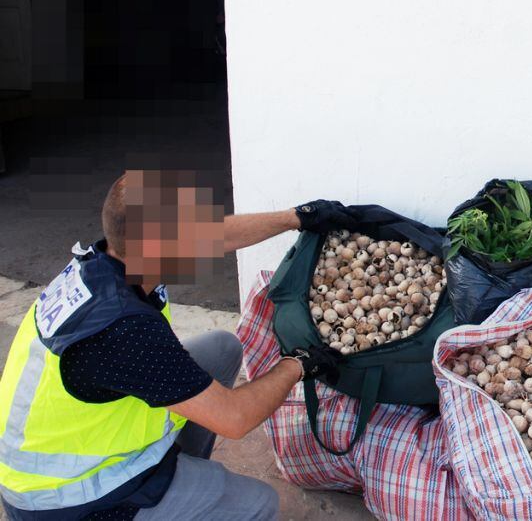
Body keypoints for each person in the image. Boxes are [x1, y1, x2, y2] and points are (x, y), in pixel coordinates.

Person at [0, 170, 355, 520]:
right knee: (258, 503)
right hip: (70, 500)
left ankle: (181, 476)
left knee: (221, 349)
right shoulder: (123, 330)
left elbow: (217, 235)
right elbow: (236, 420)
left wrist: (297, 217)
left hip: (80, 434)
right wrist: (299, 362)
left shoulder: (111, 259)